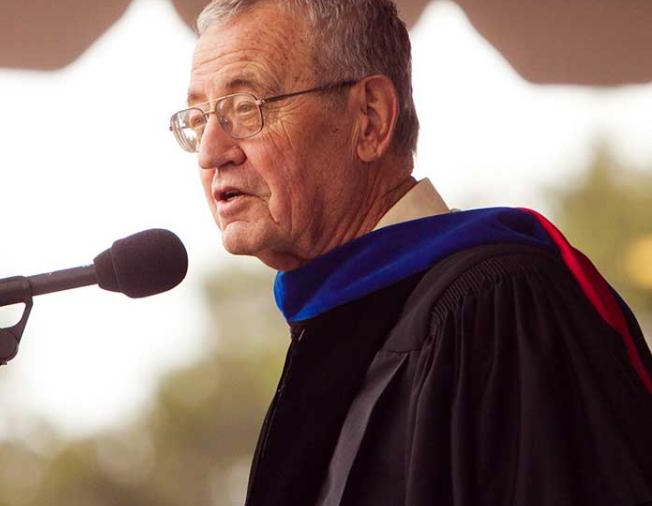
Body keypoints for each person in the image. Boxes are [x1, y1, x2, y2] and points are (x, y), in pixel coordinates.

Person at [168, 1, 652, 505]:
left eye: (245, 108)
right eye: (199, 119)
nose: (210, 151)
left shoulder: (498, 309)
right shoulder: (343, 329)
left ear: (371, 119)